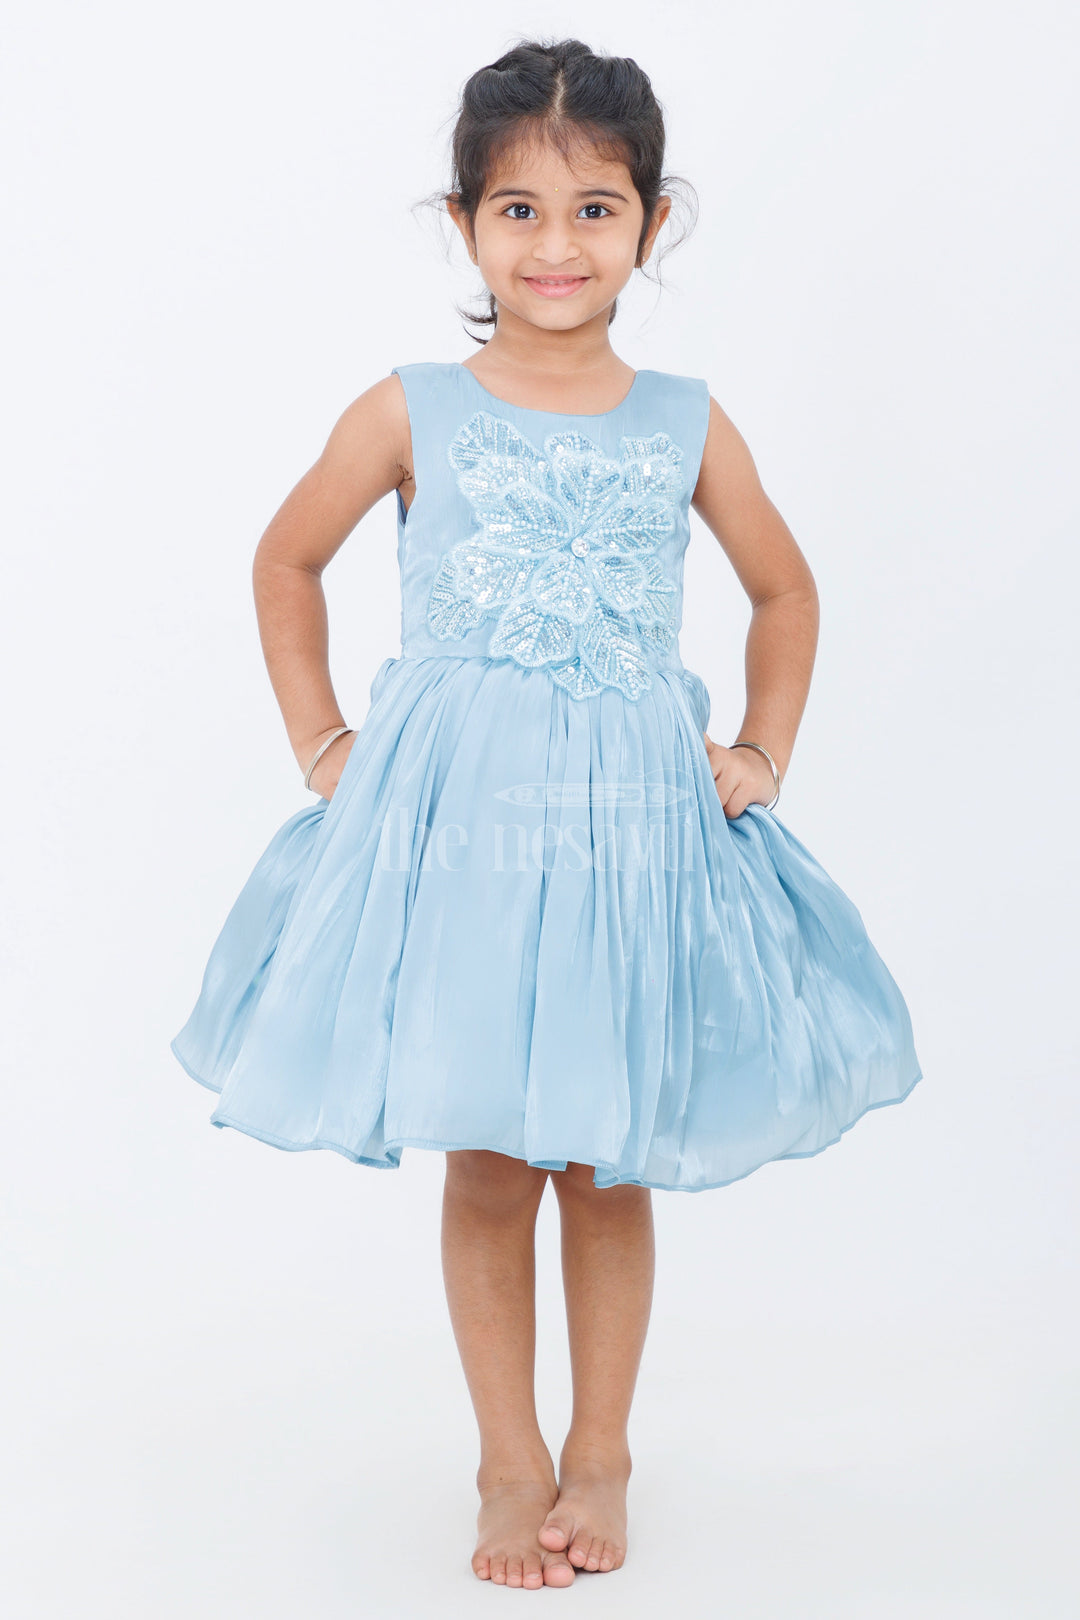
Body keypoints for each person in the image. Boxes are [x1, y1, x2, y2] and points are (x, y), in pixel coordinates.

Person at [171, 36, 923, 1592]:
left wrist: (762, 750)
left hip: (627, 840)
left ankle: (603, 1455)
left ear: (652, 222)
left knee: (606, 1158)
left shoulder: (686, 423)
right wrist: (322, 740)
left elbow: (785, 590)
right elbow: (284, 559)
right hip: (463, 840)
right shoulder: (412, 409)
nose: (556, 245)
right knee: (489, 1161)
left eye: (595, 209)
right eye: (518, 210)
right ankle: (509, 1465)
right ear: (464, 223)